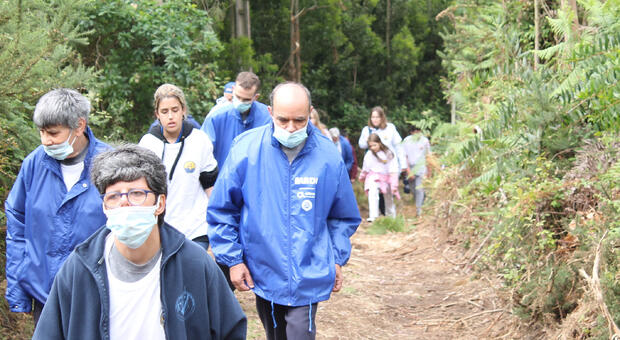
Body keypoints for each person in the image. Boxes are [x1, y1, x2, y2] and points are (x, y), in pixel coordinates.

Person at [32, 145, 247, 340]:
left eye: (136, 194)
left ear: (160, 203)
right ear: (104, 206)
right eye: (113, 196)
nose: (124, 204)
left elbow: (230, 330)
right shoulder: (80, 268)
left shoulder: (194, 264)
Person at [207, 82, 361, 340]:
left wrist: (335, 256)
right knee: (276, 335)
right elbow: (223, 210)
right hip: (263, 269)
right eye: (283, 119)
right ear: (269, 112)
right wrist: (233, 259)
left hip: (309, 269)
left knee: (300, 333)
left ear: (310, 112)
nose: (291, 128)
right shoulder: (245, 149)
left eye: (299, 121)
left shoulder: (327, 156)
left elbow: (343, 216)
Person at [4, 89, 111, 325]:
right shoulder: (34, 163)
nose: (45, 140)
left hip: (96, 299)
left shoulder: (110, 165)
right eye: (41, 132)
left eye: (53, 133)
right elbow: (17, 226)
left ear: (79, 126)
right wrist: (18, 289)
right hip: (45, 297)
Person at [139, 84, 218, 250]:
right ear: (157, 114)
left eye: (175, 110)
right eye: (165, 111)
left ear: (183, 110)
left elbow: (210, 186)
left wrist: (218, 225)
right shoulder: (147, 143)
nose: (171, 116)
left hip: (196, 229)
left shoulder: (200, 140)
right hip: (160, 228)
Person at [200, 72, 271, 166]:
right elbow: (201, 151)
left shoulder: (268, 117)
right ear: (233, 90)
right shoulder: (216, 117)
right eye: (238, 97)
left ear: (256, 97)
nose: (240, 102)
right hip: (222, 176)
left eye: (246, 100)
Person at [358, 106, 406, 215]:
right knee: (374, 191)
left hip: (389, 165)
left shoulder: (390, 128)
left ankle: (389, 214)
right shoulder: (367, 130)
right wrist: (370, 139)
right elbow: (361, 144)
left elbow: (398, 146)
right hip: (374, 166)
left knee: (388, 192)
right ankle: (376, 214)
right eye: (373, 117)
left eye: (377, 117)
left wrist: (402, 164)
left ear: (382, 118)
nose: (375, 119)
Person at [359, 133, 400, 222]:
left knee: (388, 197)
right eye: (371, 146)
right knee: (372, 193)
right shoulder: (369, 154)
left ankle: (391, 216)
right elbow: (365, 168)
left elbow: (393, 168)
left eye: (375, 145)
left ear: (379, 143)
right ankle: (373, 216)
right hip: (373, 176)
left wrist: (394, 184)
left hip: (386, 177)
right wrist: (362, 176)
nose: (373, 147)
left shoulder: (388, 153)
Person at [401, 123, 431, 217]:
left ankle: (419, 212)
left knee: (419, 189)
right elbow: (404, 156)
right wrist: (408, 170)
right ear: (411, 132)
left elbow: (428, 156)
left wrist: (429, 170)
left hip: (422, 167)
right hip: (411, 167)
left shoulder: (425, 141)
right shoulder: (406, 141)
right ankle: (421, 203)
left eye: (419, 131)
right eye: (415, 132)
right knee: (413, 189)